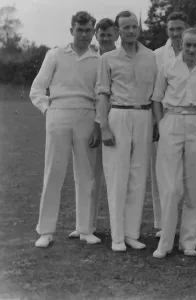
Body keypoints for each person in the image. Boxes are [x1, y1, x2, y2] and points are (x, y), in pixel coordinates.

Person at [30, 11, 102, 247]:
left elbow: (100, 94)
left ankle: (85, 229)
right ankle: (46, 230)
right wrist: (48, 110)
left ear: (93, 32)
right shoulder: (55, 55)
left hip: (87, 116)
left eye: (88, 30)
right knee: (54, 172)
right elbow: (37, 90)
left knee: (86, 174)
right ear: (71, 30)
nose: (83, 35)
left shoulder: (98, 59)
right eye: (79, 30)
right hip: (58, 113)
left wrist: (97, 123)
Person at [152, 28, 196, 258]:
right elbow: (157, 99)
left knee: (194, 184)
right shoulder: (168, 66)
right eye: (187, 44)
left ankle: (188, 241)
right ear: (181, 43)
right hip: (172, 121)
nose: (191, 49)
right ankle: (165, 243)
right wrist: (161, 124)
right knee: (171, 187)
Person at [96, 11, 157, 252]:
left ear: (139, 29)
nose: (131, 31)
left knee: (138, 176)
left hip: (144, 116)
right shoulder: (108, 58)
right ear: (118, 31)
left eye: (134, 27)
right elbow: (102, 94)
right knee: (117, 177)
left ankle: (132, 233)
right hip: (118, 116)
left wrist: (154, 123)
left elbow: (155, 94)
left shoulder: (151, 57)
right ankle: (118, 237)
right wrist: (104, 127)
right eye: (125, 27)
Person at [68, 17, 119, 239]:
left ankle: (120, 227)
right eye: (101, 34)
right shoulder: (95, 59)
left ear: (116, 35)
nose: (105, 38)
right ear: (96, 36)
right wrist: (98, 125)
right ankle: (85, 225)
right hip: (94, 121)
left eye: (109, 34)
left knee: (116, 176)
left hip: (118, 121)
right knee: (88, 174)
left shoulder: (119, 58)